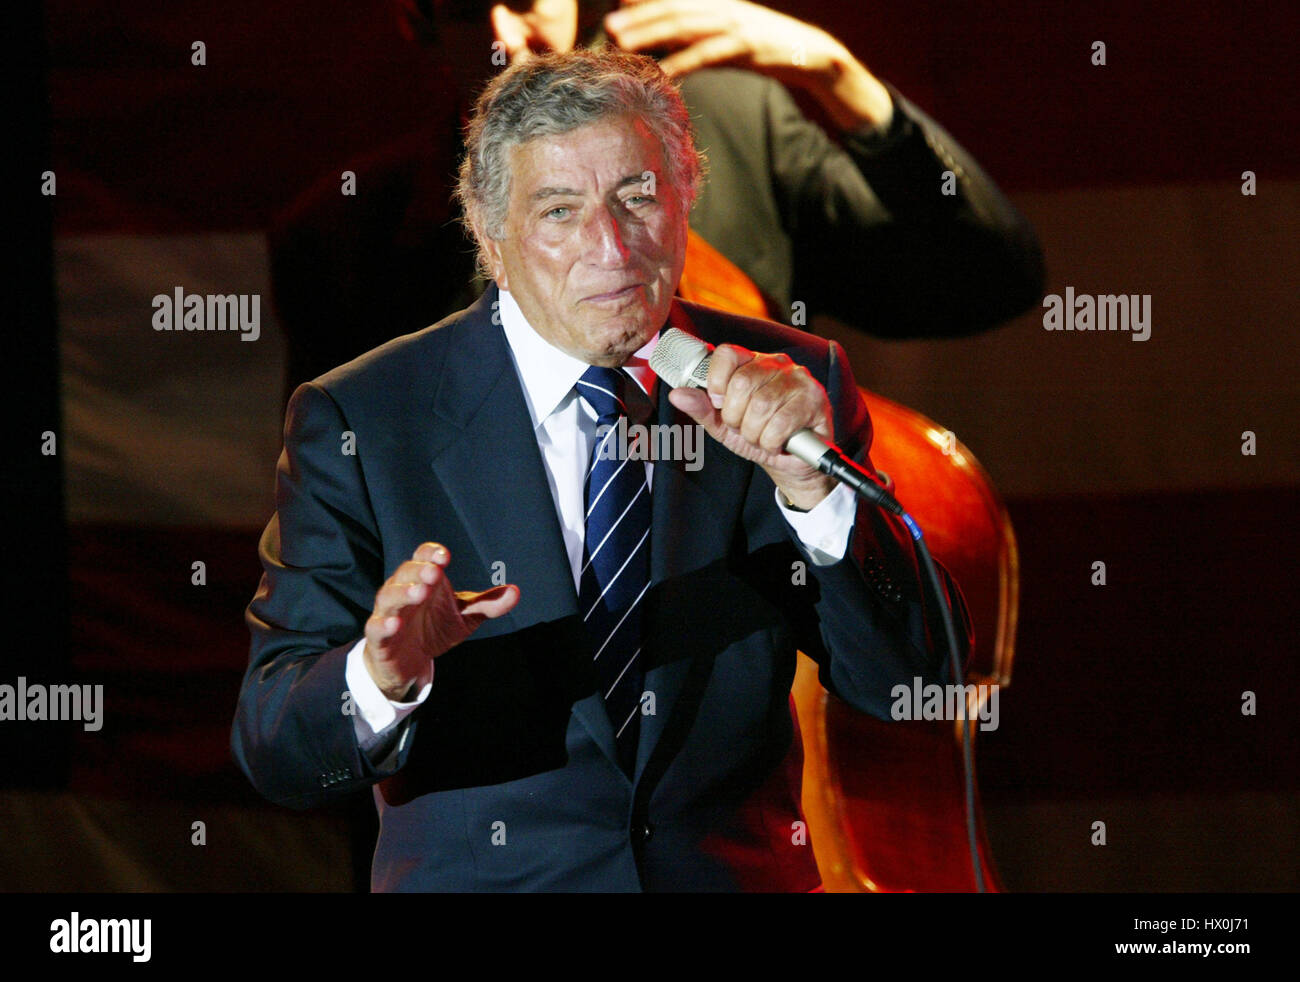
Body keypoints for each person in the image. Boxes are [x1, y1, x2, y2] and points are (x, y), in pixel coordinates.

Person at [233, 47, 970, 891]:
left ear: (687, 199)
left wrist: (816, 494)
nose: (612, 247)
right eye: (559, 210)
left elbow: (924, 689)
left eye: (638, 197)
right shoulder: (366, 418)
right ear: (490, 236)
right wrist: (380, 679)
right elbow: (273, 744)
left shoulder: (787, 383)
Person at [272, 0, 1044, 392]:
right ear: (420, 23)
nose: (512, 35)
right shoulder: (343, 233)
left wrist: (837, 75)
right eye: (472, 8)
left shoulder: (740, 127)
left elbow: (986, 279)